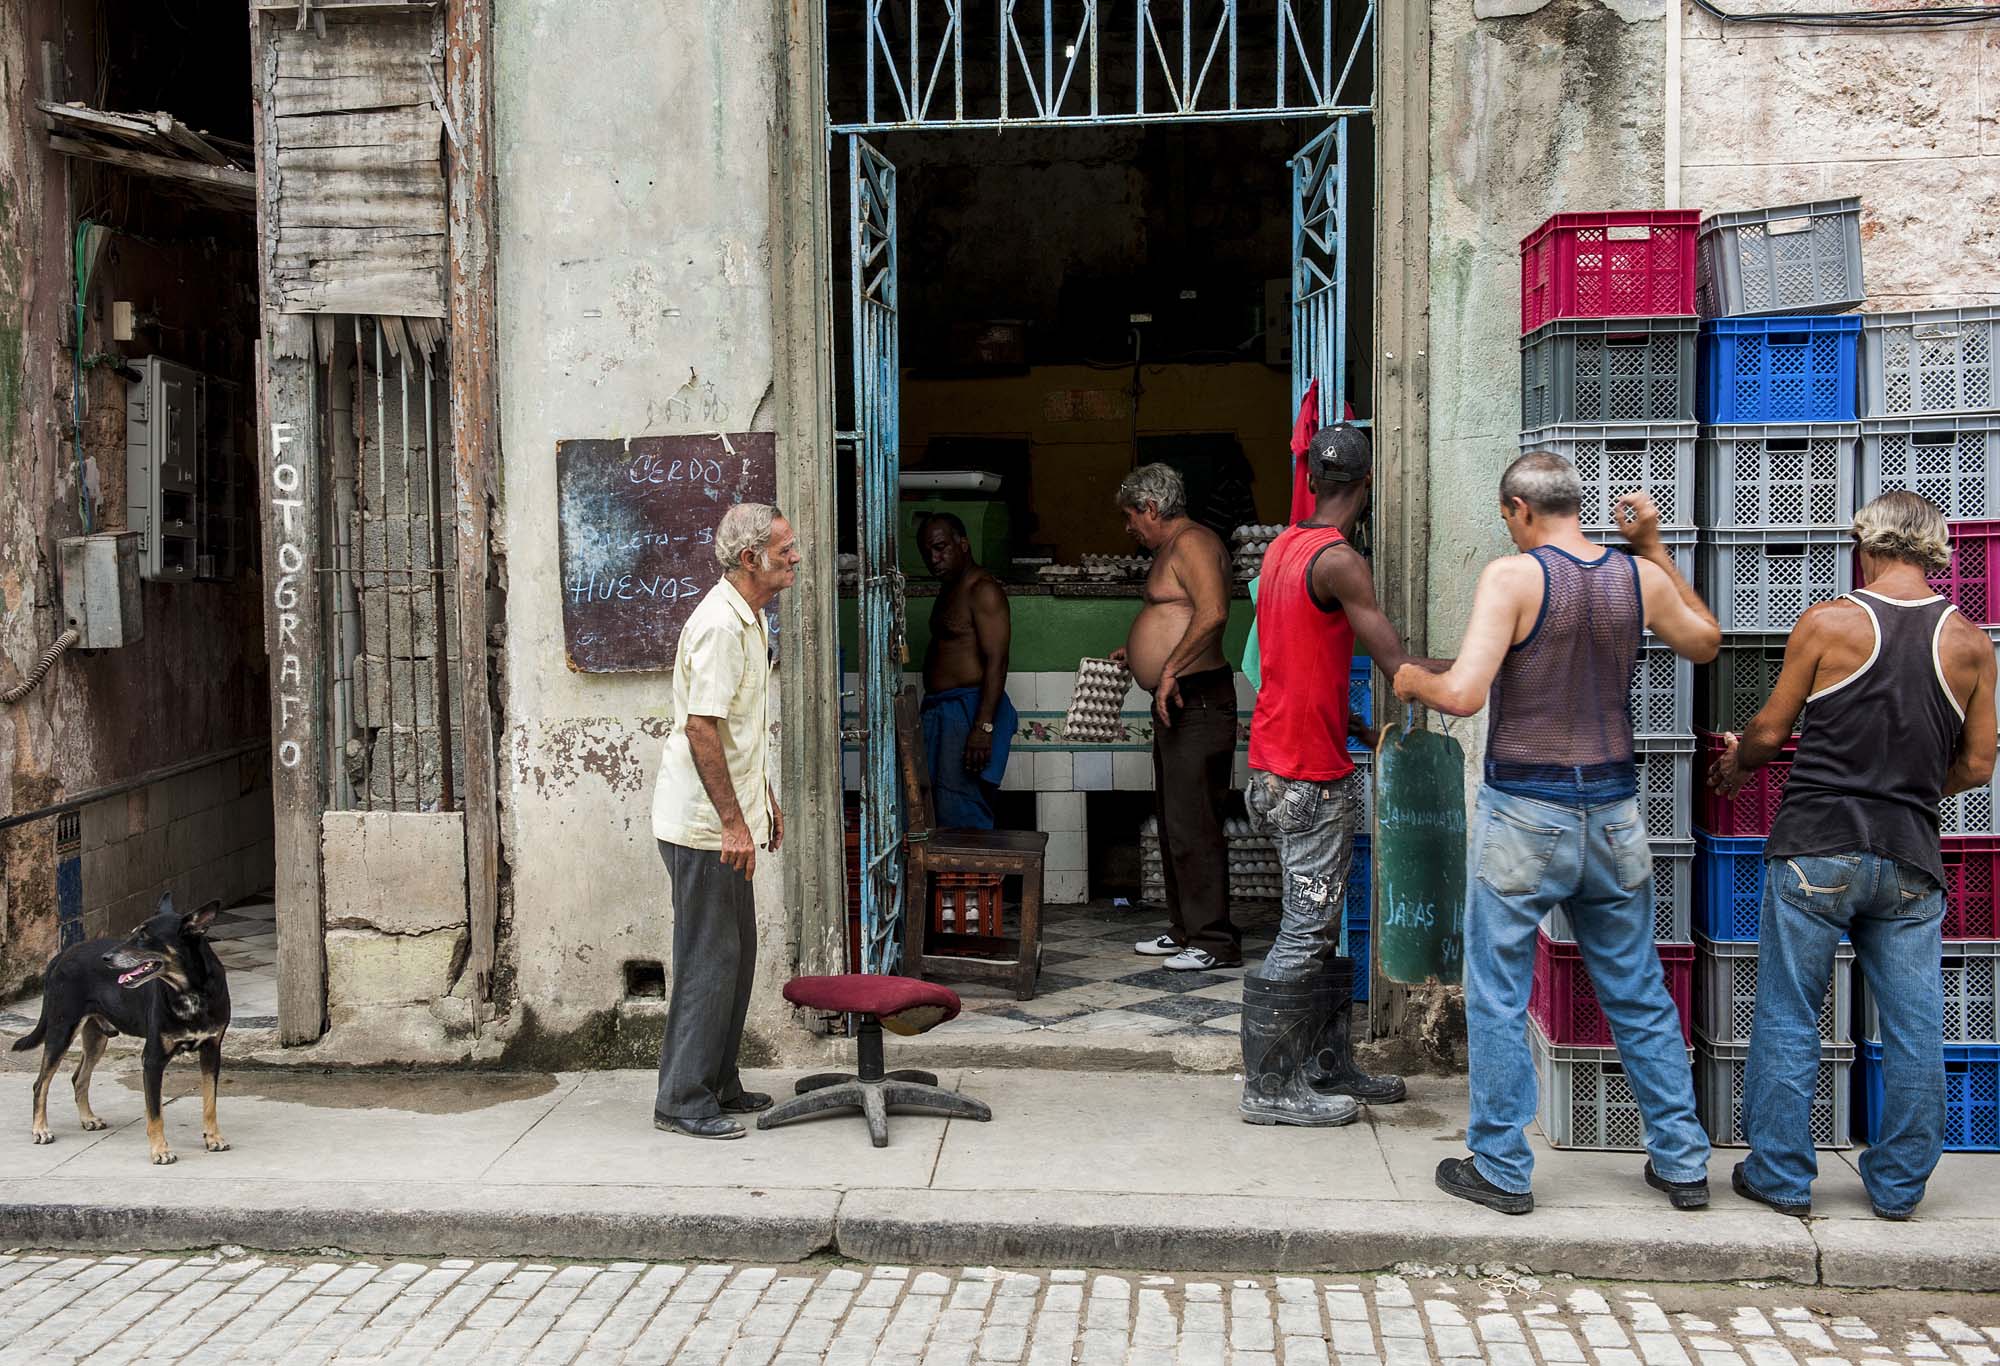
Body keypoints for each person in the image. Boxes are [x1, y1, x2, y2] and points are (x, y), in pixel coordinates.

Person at [1394, 455, 1721, 1214]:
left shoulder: (1514, 578)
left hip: (1525, 813)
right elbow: (1704, 640)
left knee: (1499, 991)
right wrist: (1655, 549)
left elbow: (1466, 694)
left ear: (1518, 509)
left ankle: (1503, 1167)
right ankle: (1680, 1162)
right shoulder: (1634, 577)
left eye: (1507, 517)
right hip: (1613, 813)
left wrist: (1413, 680)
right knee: (1638, 988)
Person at [1711, 491, 1996, 1220]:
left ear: (1865, 545)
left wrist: (1743, 759)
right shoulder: (1969, 641)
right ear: (1935, 550)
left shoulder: (1830, 621)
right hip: (1908, 857)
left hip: (1816, 845)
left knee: (1788, 1013)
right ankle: (1899, 1187)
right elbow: (1980, 764)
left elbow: (1774, 732)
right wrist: (1913, 785)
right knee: (1913, 1025)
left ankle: (1779, 1176)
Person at [1238, 424, 1430, 1127]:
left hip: (1280, 761)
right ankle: (1267, 1087)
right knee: (1306, 928)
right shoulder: (1341, 561)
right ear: (1368, 484)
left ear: (1313, 480)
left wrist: (1341, 724)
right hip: (1306, 777)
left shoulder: (1284, 548)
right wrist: (1491, 659)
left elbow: (1295, 660)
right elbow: (1402, 673)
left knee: (1321, 926)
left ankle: (1325, 1063)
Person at [649, 503, 800, 1140]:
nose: (795, 556)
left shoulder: (751, 619)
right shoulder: (720, 625)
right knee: (710, 959)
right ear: (750, 559)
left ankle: (718, 1081)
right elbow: (701, 728)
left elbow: (737, 732)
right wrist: (734, 826)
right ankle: (682, 1099)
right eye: (785, 549)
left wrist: (761, 797)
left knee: (735, 958)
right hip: (703, 827)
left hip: (728, 820)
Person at [1112, 463, 1240, 972]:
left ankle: (1214, 941)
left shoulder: (1193, 542)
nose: (1129, 529)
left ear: (1150, 507)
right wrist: (1140, 649)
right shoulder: (1174, 547)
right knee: (1173, 821)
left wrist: (1169, 669)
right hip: (1179, 696)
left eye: (1130, 517)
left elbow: (1213, 613)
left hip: (1198, 697)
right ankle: (1185, 929)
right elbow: (1179, 617)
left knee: (1195, 823)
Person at [917, 513, 1017, 832]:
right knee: (940, 809)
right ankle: (954, 881)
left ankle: (973, 881)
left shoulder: (982, 590)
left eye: (941, 548)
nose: (934, 559)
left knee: (962, 809)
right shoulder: (950, 588)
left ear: (964, 544)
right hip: (945, 711)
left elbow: (997, 660)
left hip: (968, 712)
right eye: (927, 553)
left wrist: (983, 727)